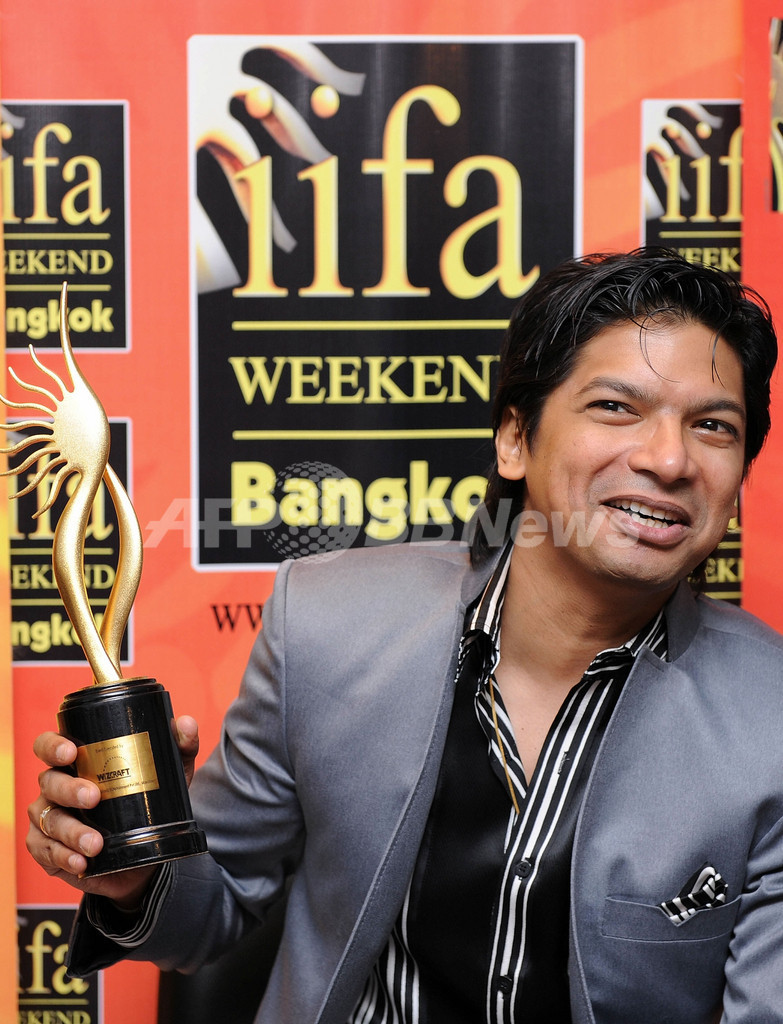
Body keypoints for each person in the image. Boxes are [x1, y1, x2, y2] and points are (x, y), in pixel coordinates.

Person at [28, 248, 783, 1023]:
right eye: (616, 408)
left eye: (712, 426)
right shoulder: (326, 625)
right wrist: (136, 873)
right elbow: (205, 918)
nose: (668, 458)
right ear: (514, 438)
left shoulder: (770, 721)